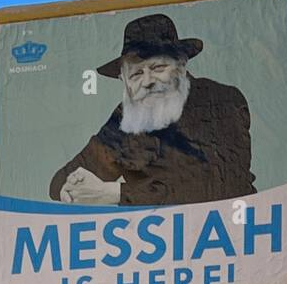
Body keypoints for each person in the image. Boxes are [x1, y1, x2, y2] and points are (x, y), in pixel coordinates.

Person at [50, 13, 257, 207]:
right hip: (159, 240)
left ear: (181, 66)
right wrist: (73, 186)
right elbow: (62, 180)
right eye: (136, 74)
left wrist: (113, 194)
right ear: (125, 81)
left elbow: (217, 186)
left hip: (234, 235)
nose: (147, 81)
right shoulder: (127, 119)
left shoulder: (221, 101)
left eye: (158, 68)